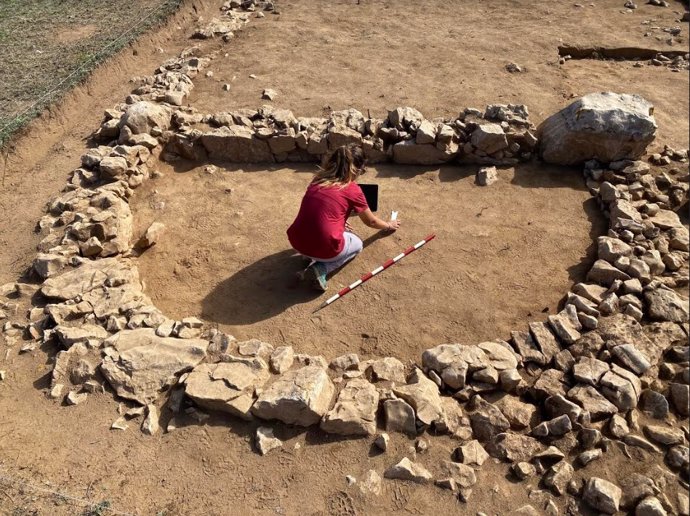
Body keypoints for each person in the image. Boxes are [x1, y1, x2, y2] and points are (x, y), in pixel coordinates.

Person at [287, 143, 401, 291]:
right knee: (358, 245)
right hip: (324, 248)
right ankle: (321, 268)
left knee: (319, 234)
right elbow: (371, 221)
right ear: (357, 170)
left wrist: (340, 221)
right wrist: (388, 225)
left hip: (297, 242)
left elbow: (325, 209)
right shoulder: (353, 189)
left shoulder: (317, 180)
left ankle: (307, 256)